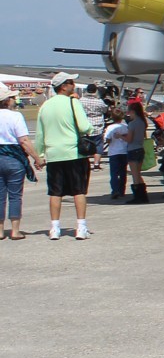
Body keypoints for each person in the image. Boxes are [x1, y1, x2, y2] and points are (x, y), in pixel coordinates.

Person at [34, 71, 99, 240]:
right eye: (71, 82)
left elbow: (40, 134)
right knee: (79, 191)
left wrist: (39, 155)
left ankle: (55, 227)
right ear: (64, 86)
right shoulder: (72, 102)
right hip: (73, 152)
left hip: (54, 154)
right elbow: (85, 127)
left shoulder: (45, 106)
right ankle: (81, 226)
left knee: (55, 192)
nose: (73, 85)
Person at [0, 82, 45, 240]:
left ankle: (0, 230)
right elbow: (24, 140)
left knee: (0, 195)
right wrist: (37, 158)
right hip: (13, 157)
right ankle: (15, 230)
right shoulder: (15, 116)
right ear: (7, 101)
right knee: (15, 195)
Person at [125, 102, 151, 204]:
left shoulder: (132, 123)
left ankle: (138, 196)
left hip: (133, 149)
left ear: (132, 112)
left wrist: (121, 137)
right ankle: (143, 195)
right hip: (140, 148)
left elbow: (129, 139)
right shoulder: (142, 122)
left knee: (135, 175)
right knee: (138, 173)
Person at [102, 106, 130, 199]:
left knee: (114, 173)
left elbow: (108, 140)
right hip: (124, 151)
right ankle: (122, 190)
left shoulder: (110, 127)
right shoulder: (125, 126)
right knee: (123, 172)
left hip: (113, 152)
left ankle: (115, 190)